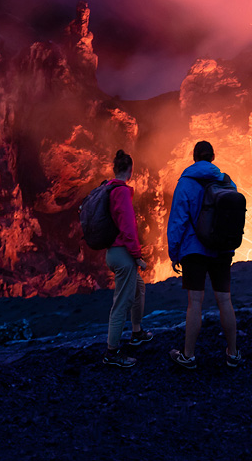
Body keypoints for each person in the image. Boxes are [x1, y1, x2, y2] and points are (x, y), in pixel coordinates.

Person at [166, 140, 242, 369]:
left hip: (194, 251)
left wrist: (174, 253)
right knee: (225, 300)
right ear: (213, 158)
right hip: (221, 249)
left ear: (194, 157)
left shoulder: (186, 184)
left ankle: (188, 356)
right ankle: (233, 353)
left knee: (195, 303)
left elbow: (178, 221)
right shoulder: (227, 182)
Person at [102, 149, 154, 368]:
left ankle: (136, 332)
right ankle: (112, 352)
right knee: (121, 303)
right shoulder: (121, 192)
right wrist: (137, 256)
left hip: (113, 251)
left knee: (139, 288)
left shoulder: (108, 188)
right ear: (130, 171)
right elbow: (128, 228)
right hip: (123, 254)